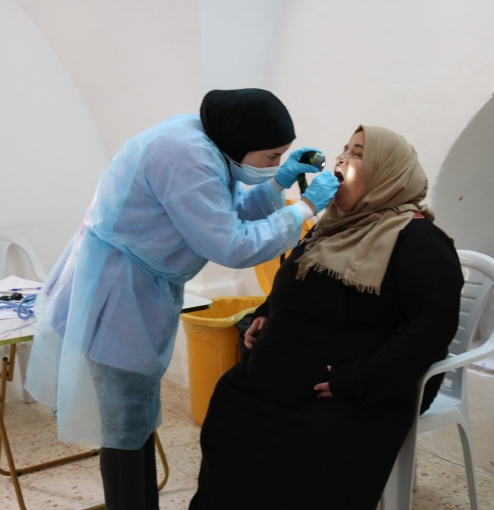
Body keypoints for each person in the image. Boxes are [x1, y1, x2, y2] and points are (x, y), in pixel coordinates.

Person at [24, 89, 340, 510]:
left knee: (132, 424)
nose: (276, 166)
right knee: (122, 428)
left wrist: (276, 183)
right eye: (272, 158)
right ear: (239, 142)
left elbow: (219, 210)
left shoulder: (208, 140)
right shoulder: (184, 155)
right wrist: (302, 208)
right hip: (118, 293)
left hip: (135, 285)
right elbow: (231, 244)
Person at [189, 126, 464, 510]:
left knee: (307, 447)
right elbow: (297, 282)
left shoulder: (420, 242)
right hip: (279, 373)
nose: (341, 160)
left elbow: (429, 332)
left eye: (358, 153)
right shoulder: (334, 227)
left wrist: (354, 380)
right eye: (344, 150)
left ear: (389, 172)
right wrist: (266, 314)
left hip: (356, 389)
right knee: (230, 406)